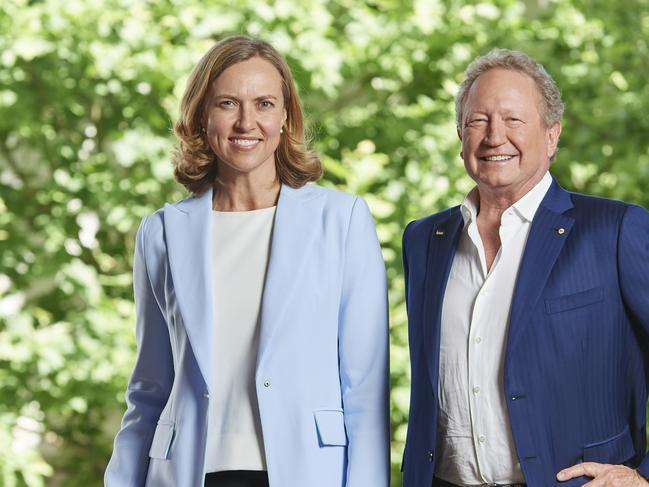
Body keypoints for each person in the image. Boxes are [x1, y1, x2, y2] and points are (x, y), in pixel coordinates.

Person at [104, 35, 390, 487]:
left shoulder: (342, 222)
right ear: (202, 116)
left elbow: (365, 391)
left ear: (285, 117)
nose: (246, 122)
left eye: (264, 104)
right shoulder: (160, 232)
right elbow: (149, 389)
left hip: (306, 470)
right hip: (187, 473)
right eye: (227, 103)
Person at [401, 48, 649, 487]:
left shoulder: (614, 230)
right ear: (460, 136)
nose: (495, 136)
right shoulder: (424, 240)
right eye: (478, 120)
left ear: (552, 136)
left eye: (514, 120)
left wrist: (643, 477)